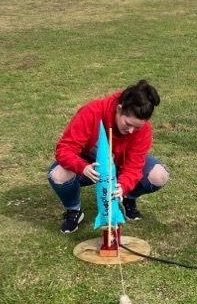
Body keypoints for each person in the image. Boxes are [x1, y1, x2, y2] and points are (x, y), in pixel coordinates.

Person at [48, 80, 169, 233]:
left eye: (137, 127)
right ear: (119, 109)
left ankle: (127, 198)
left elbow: (134, 165)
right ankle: (74, 210)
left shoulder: (143, 130)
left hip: (119, 166)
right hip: (90, 168)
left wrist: (123, 186)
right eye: (128, 124)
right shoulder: (92, 111)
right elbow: (65, 149)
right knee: (58, 174)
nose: (131, 131)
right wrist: (83, 167)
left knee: (159, 175)